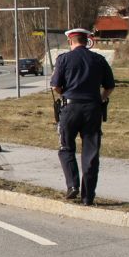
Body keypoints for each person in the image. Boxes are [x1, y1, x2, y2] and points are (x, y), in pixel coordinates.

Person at [50, 28, 115, 205]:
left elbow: (55, 86)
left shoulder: (63, 59)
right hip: (93, 109)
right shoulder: (99, 60)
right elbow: (109, 86)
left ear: (70, 41)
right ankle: (88, 197)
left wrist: (66, 93)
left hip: (70, 108)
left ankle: (72, 185)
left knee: (66, 147)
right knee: (91, 153)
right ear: (86, 41)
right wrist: (100, 99)